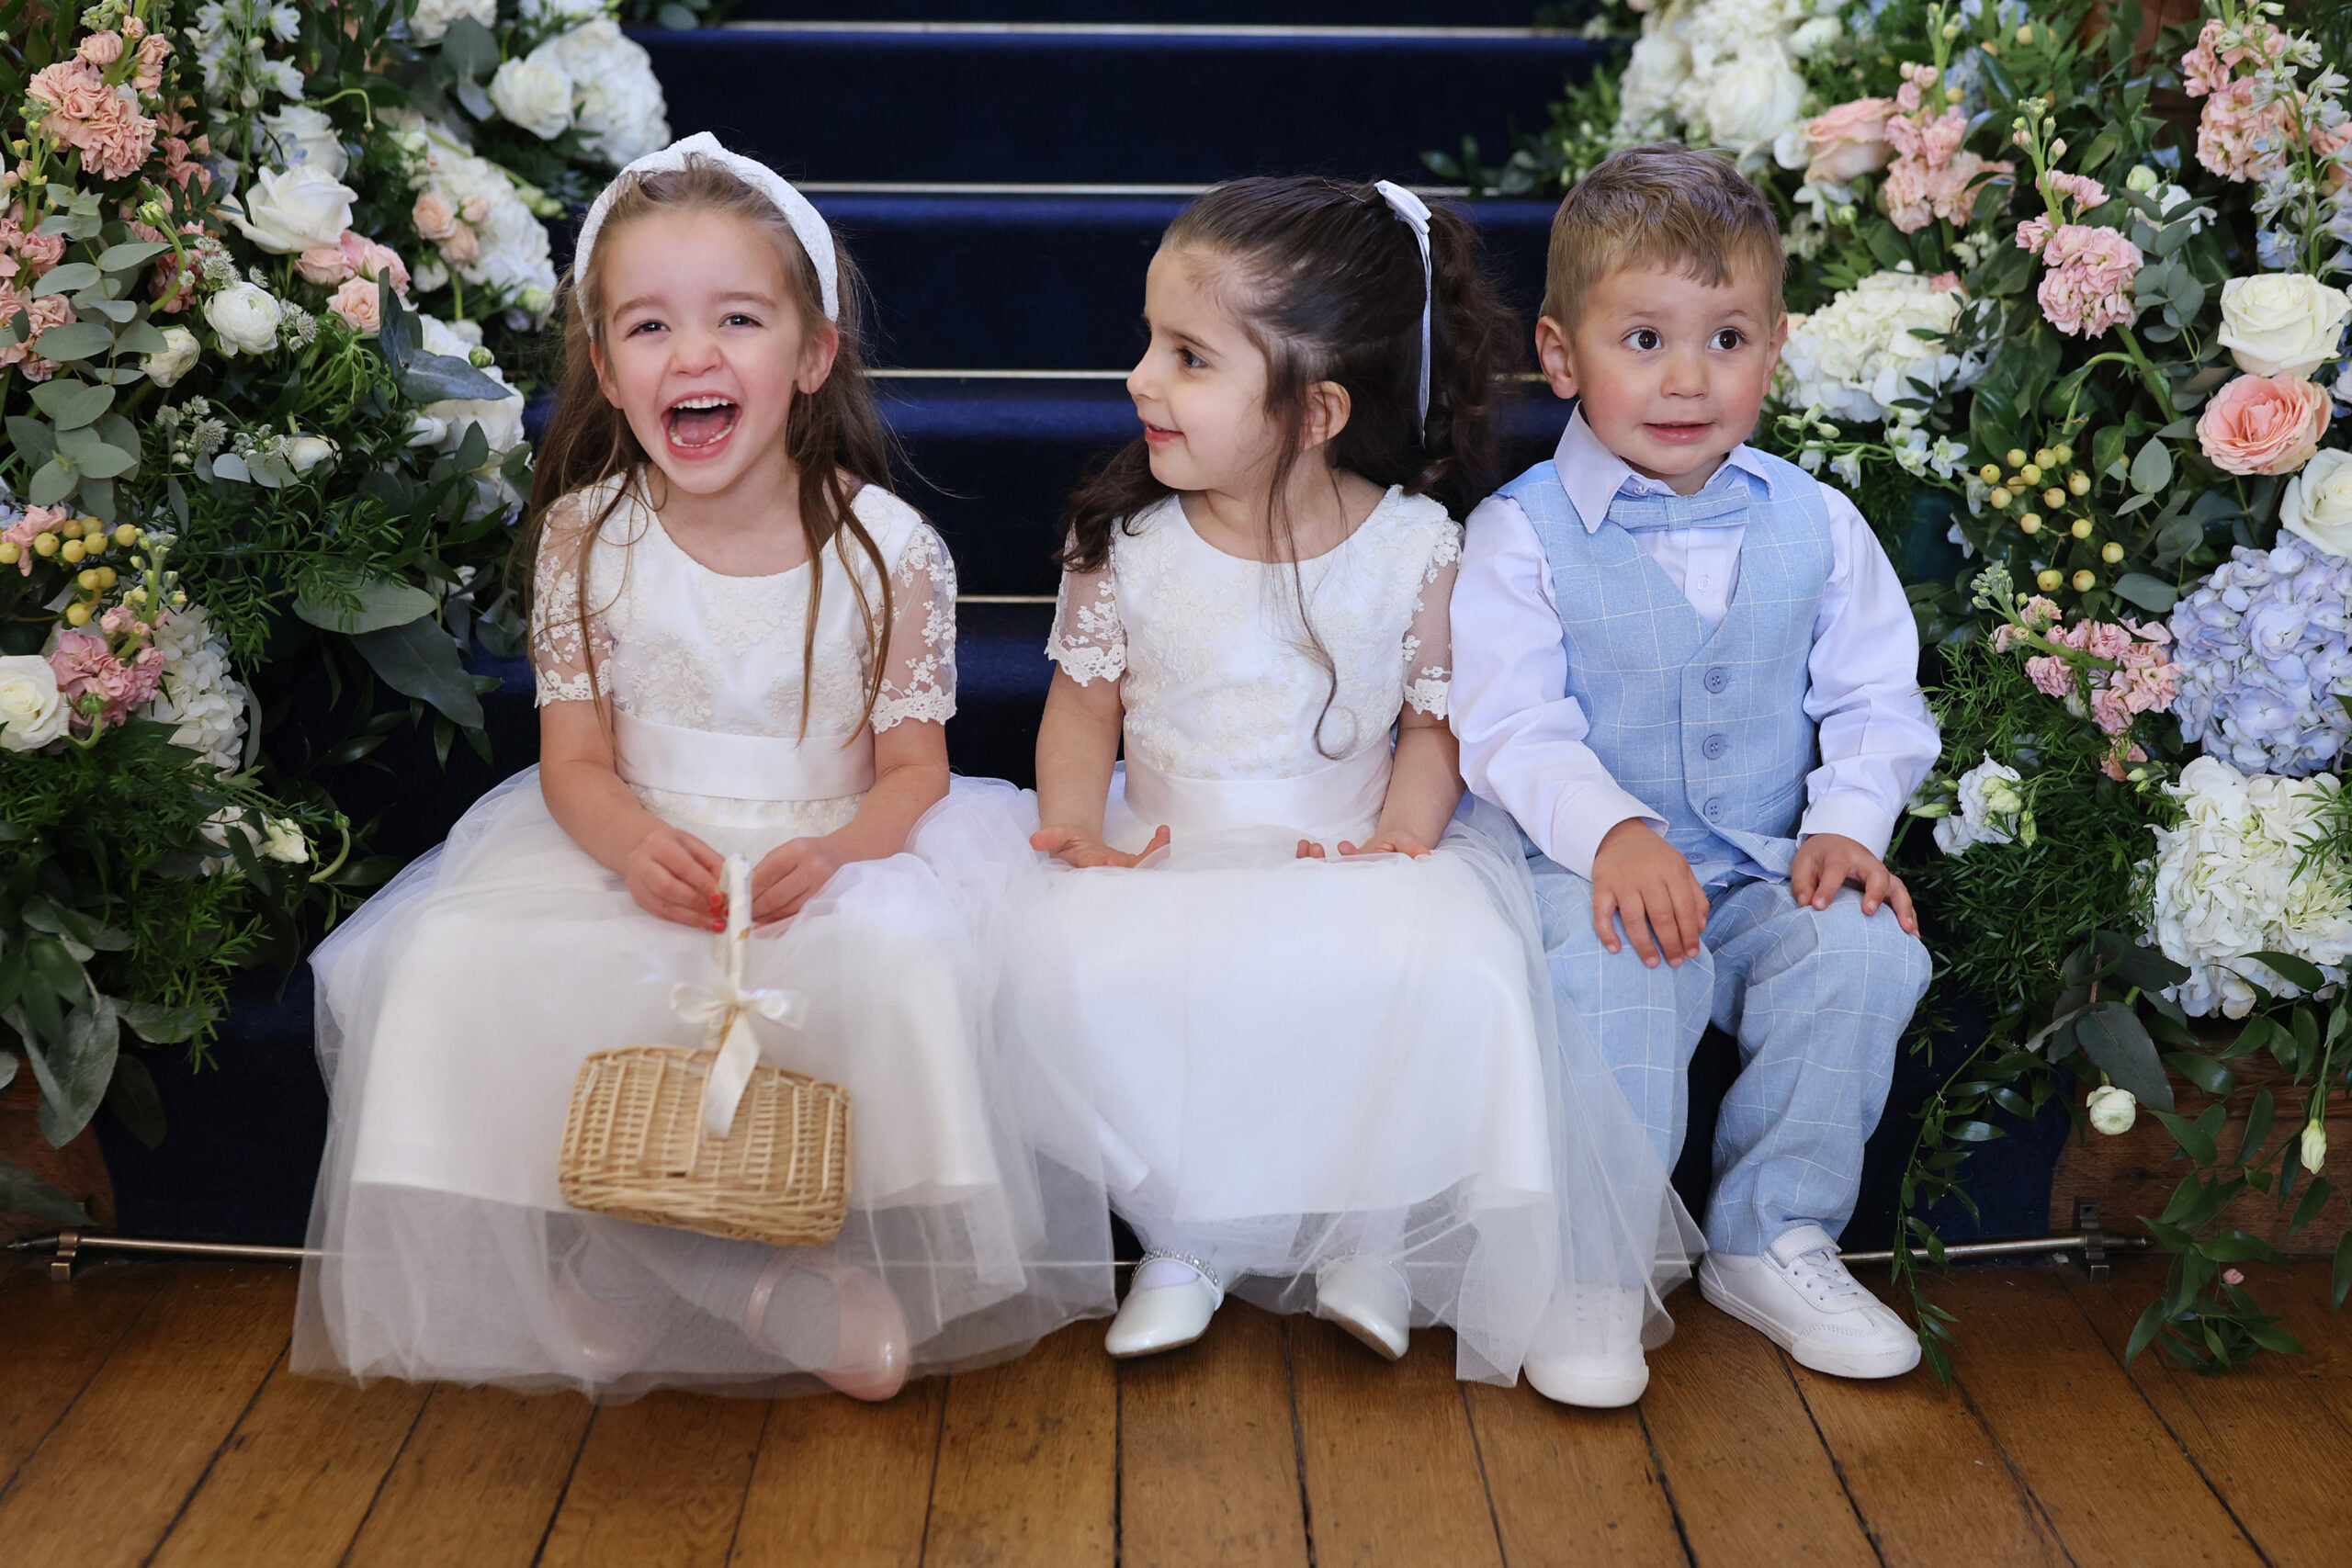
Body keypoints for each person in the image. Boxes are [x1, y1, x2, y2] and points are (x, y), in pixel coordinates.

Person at [294, 135, 1111, 1402]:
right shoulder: (586, 537)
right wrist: (631, 848)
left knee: (896, 959)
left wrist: (835, 856)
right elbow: (574, 761)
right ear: (605, 368)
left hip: (823, 854)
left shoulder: (890, 549)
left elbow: (912, 775)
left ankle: (687, 1255)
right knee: (451, 961)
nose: (693, 356)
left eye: (737, 319)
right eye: (649, 326)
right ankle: (728, 1281)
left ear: (813, 353)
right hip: (640, 839)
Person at [1002, 175, 1697, 1404]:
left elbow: (1432, 725)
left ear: (1318, 410)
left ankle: (1373, 1231)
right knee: (1091, 968)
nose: (1140, 380)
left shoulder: (1413, 544)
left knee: (1438, 966)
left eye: (1188, 358)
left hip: (1349, 841)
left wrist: (1401, 837)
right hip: (1167, 841)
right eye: (1151, 343)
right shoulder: (1128, 544)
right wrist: (1071, 826)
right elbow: (1082, 706)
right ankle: (1190, 1230)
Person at [1450, 143, 1940, 1385]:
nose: (1687, 379)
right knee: (1624, 974)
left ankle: (1775, 1235)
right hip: (1585, 870)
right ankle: (1597, 1264)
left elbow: (1876, 700)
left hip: (1762, 862)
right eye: (1644, 340)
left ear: (1775, 350)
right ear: (1561, 355)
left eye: (1726, 340)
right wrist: (1612, 832)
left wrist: (1847, 824)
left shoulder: (1817, 522)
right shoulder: (1517, 535)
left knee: (1864, 950)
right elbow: (1512, 726)